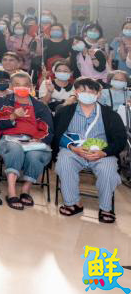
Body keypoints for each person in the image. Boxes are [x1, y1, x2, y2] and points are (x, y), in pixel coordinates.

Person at [52, 77, 127, 224]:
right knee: (64, 163)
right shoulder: (65, 112)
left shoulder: (111, 115)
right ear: (76, 92)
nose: (86, 94)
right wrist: (73, 148)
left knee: (107, 170)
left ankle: (105, 208)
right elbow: (56, 135)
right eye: (82, 91)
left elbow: (120, 139)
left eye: (91, 91)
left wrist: (104, 152)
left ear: (98, 94)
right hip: (73, 150)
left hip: (102, 152)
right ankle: (73, 203)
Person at [0, 71, 53, 211]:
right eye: (17, 84)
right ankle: (12, 191)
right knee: (15, 149)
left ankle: (26, 189)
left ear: (31, 87)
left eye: (25, 85)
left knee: (35, 155)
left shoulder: (40, 106)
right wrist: (13, 116)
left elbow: (48, 129)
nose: (22, 87)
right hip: (8, 140)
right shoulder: (2, 101)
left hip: (32, 141)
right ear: (11, 87)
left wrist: (38, 139)